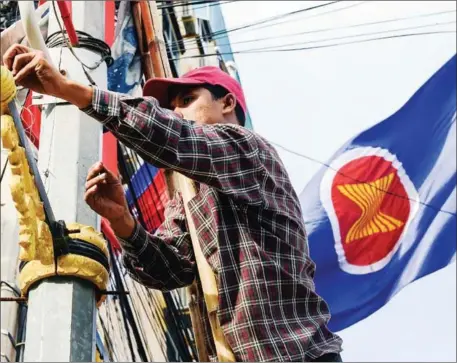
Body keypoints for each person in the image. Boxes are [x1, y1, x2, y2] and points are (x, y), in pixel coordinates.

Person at [3, 44, 343, 362]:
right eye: (172, 106)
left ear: (226, 103)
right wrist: (123, 222)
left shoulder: (246, 147)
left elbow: (176, 139)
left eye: (187, 98)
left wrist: (68, 89)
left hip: (293, 353)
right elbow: (171, 269)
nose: (176, 111)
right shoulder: (189, 194)